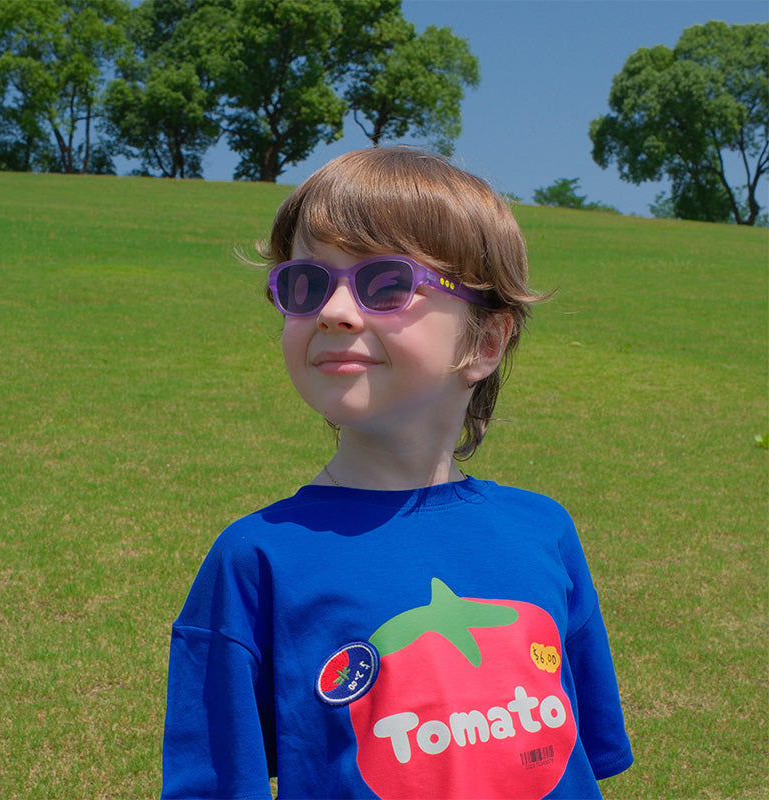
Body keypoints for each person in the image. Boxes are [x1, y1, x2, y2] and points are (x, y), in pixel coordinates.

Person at [161, 147, 633, 799]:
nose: (334, 310)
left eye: (385, 284)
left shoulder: (543, 532)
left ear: (484, 343)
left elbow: (575, 756)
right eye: (307, 284)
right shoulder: (254, 560)